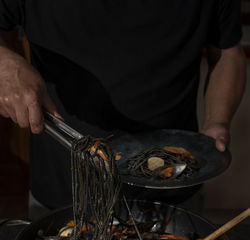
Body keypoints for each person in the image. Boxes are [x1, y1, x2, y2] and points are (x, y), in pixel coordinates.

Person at [0, 1, 246, 220]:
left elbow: (227, 51)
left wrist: (218, 120)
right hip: (63, 183)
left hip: (173, 187)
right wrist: (4, 63)